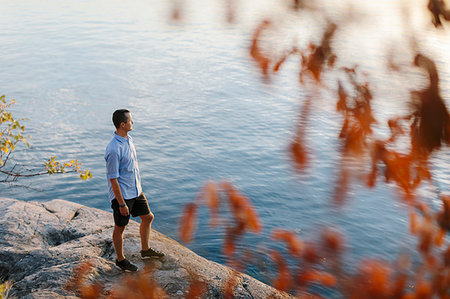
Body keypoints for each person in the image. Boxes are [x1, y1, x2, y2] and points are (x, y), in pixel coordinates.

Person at [105, 109, 164, 272]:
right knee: (120, 228)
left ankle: (145, 251)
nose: (133, 122)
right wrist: (121, 204)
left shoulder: (128, 139)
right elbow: (113, 179)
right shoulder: (114, 149)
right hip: (123, 195)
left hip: (136, 191)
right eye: (131, 120)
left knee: (148, 217)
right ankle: (120, 260)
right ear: (122, 124)